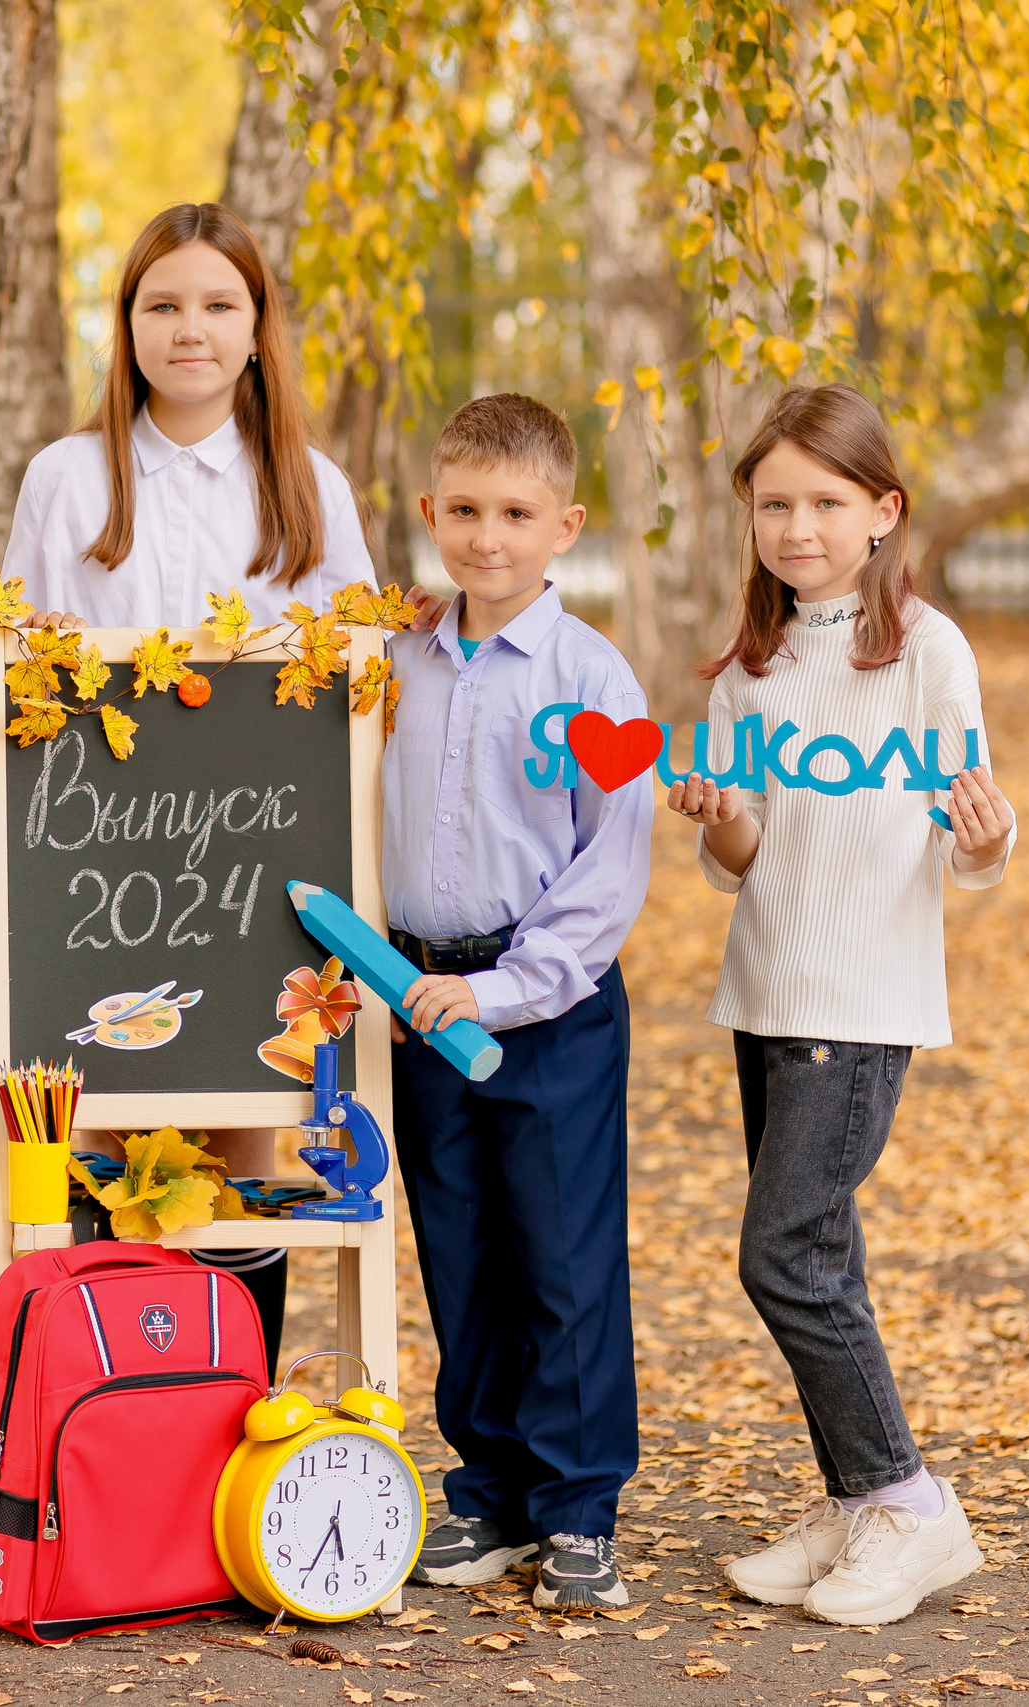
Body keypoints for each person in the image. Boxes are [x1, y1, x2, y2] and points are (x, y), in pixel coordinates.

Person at [0, 201, 380, 1367]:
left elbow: (355, 682)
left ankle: (228, 1428)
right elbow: (20, 667)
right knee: (98, 1139)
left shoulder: (310, 485)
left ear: (256, 328)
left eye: (217, 305)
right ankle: (111, 1433)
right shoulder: (69, 477)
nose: (190, 329)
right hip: (95, 874)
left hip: (259, 877)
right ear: (126, 324)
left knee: (243, 1145)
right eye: (162, 304)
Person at [665, 383, 1016, 1626]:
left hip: (861, 998)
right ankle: (852, 1500)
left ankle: (909, 1505)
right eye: (773, 502)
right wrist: (727, 818)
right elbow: (743, 864)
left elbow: (969, 835)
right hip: (765, 990)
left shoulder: (925, 649)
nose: (796, 524)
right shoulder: (748, 670)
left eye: (823, 500)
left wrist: (987, 834)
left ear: (882, 512)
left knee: (782, 1261)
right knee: (822, 1257)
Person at [385, 393, 653, 1611]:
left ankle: (578, 1505)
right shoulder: (387, 656)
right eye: (465, 511)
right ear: (430, 512)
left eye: (516, 514)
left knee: (563, 1258)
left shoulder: (593, 676)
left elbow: (608, 872)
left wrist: (500, 989)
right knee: (460, 1252)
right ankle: (487, 1492)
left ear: (564, 525)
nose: (486, 537)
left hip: (545, 1008)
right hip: (415, 998)